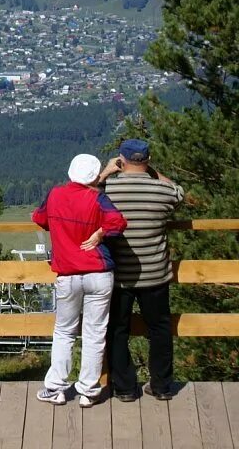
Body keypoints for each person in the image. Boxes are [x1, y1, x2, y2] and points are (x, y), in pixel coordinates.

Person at [31, 154, 127, 407]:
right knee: (94, 333)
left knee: (64, 332)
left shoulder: (55, 195)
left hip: (68, 274)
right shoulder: (98, 198)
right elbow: (117, 222)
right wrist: (100, 232)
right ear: (94, 177)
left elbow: (39, 218)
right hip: (99, 271)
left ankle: (56, 388)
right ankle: (88, 389)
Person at [99, 138, 185, 402]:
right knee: (160, 329)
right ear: (146, 161)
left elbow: (86, 193)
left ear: (121, 161)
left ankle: (124, 388)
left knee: (117, 330)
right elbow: (179, 193)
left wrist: (105, 172)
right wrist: (153, 173)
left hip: (119, 275)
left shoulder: (108, 190)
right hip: (155, 273)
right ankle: (161, 386)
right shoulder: (162, 191)